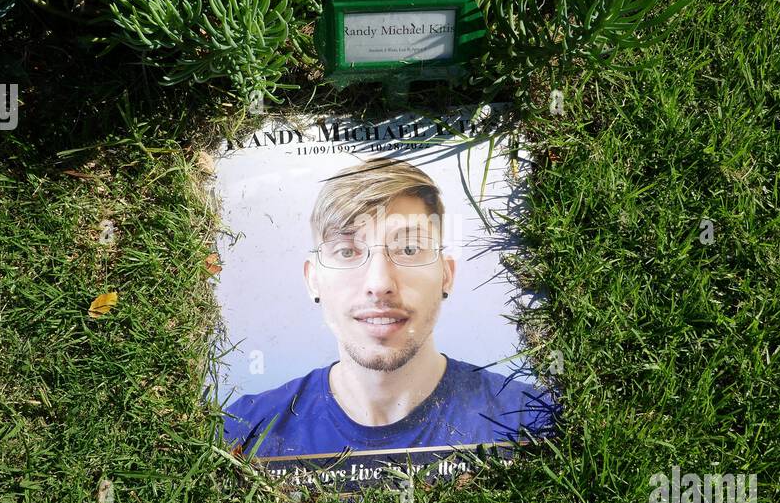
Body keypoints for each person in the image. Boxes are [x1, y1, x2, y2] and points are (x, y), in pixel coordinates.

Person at [222, 157, 556, 458]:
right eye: (348, 251)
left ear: (446, 274)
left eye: (409, 249)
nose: (379, 283)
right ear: (313, 280)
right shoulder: (242, 434)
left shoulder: (534, 421)